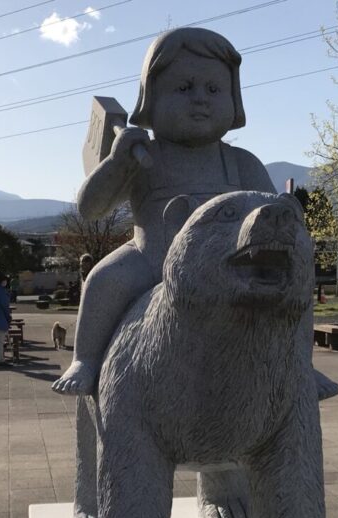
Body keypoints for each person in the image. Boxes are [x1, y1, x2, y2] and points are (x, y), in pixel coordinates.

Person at [53, 27, 275, 395]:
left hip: (230, 266)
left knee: (287, 289)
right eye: (184, 88)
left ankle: (298, 366)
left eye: (214, 89)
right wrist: (115, 162)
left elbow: (272, 216)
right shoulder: (143, 156)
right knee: (103, 281)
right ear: (150, 98)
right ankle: (86, 359)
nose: (200, 99)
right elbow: (91, 208)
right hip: (151, 257)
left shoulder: (241, 163)